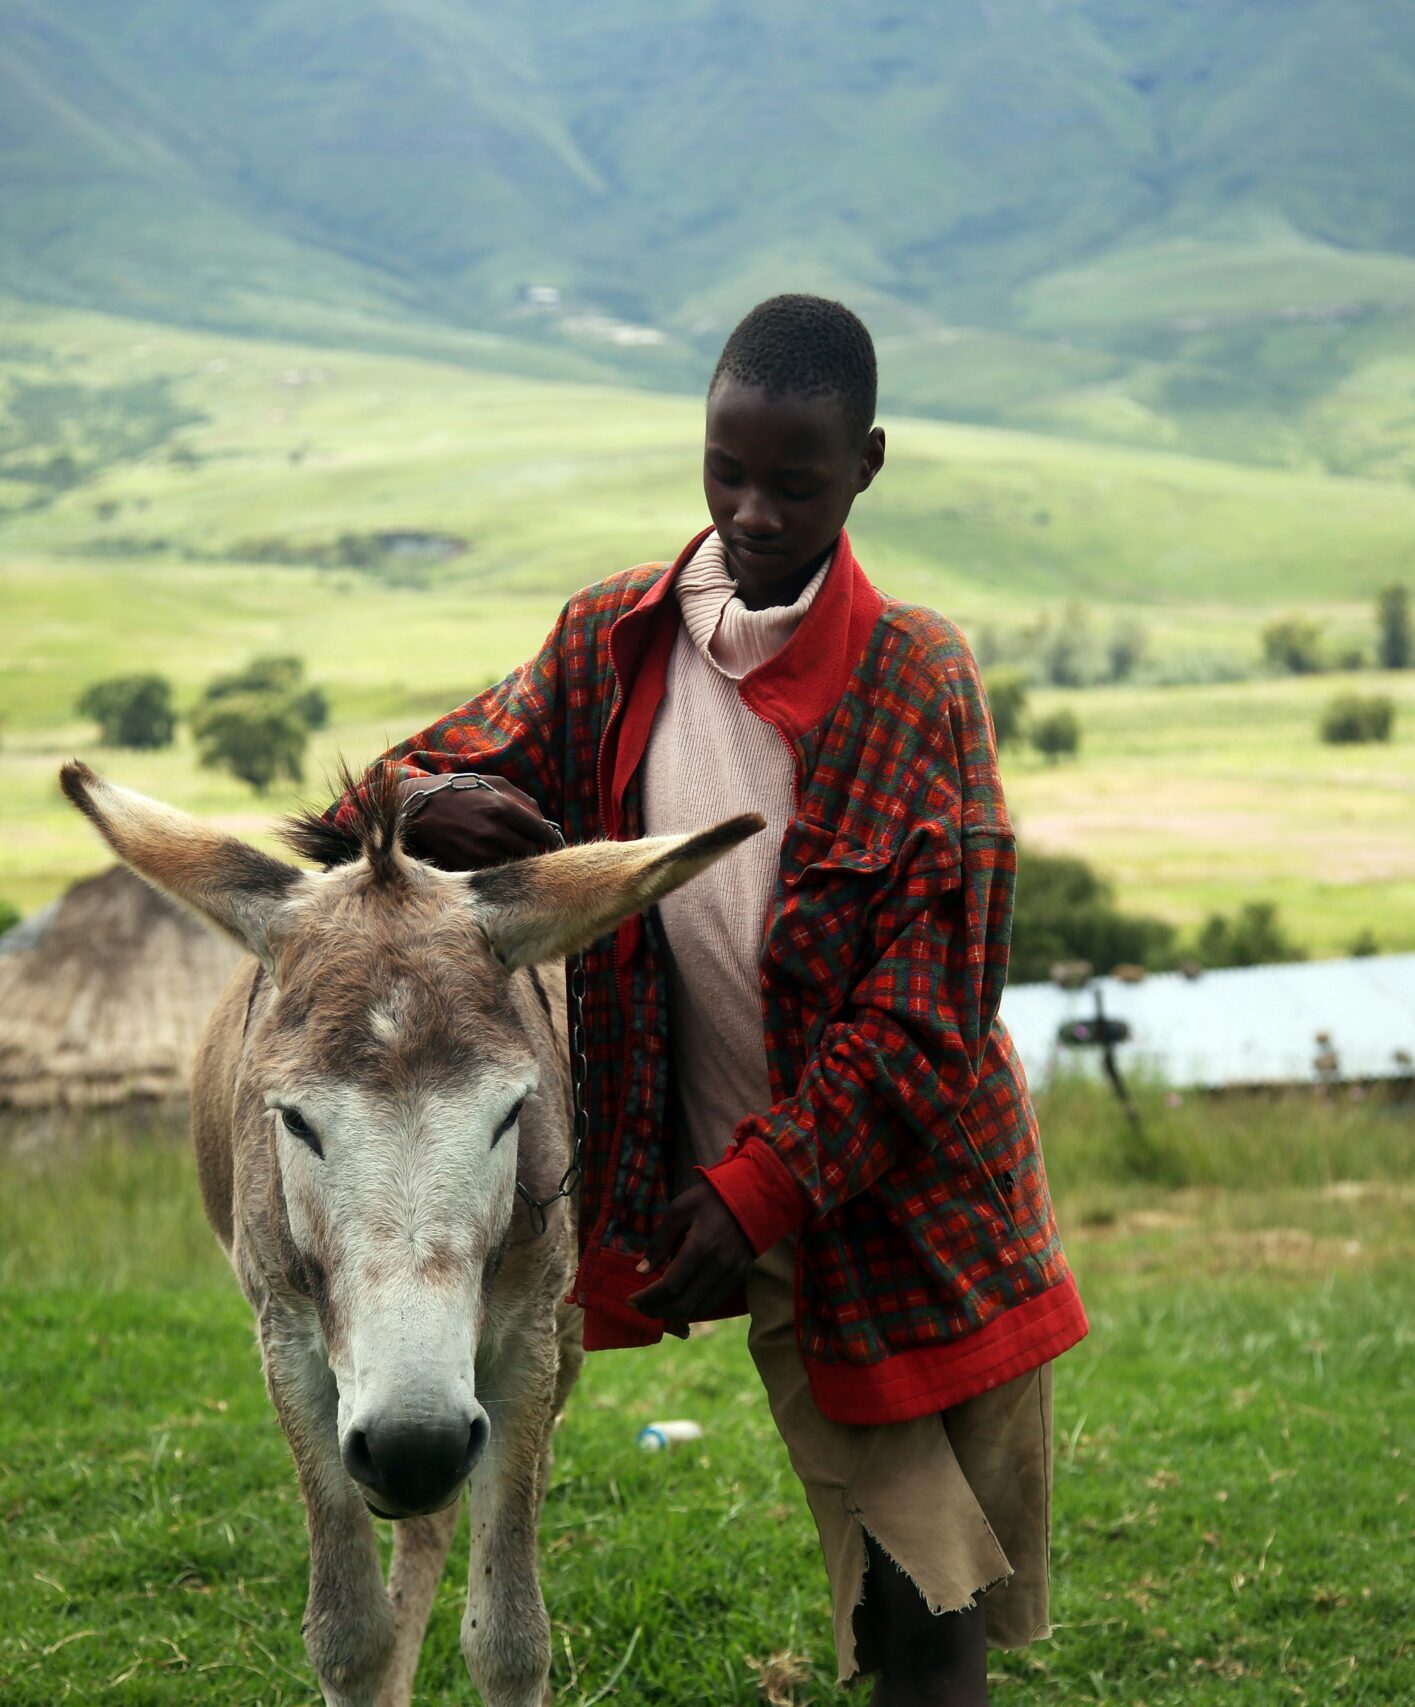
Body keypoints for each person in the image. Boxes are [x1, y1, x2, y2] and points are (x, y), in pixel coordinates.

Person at [344, 294, 1085, 1702]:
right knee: (913, 1586)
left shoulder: (916, 681)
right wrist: (431, 800)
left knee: (933, 1606)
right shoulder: (615, 646)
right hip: (717, 1184)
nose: (750, 512)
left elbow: (930, 1016)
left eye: (794, 483)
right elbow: (366, 800)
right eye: (724, 470)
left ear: (868, 465)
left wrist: (756, 1193)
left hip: (907, 1210)